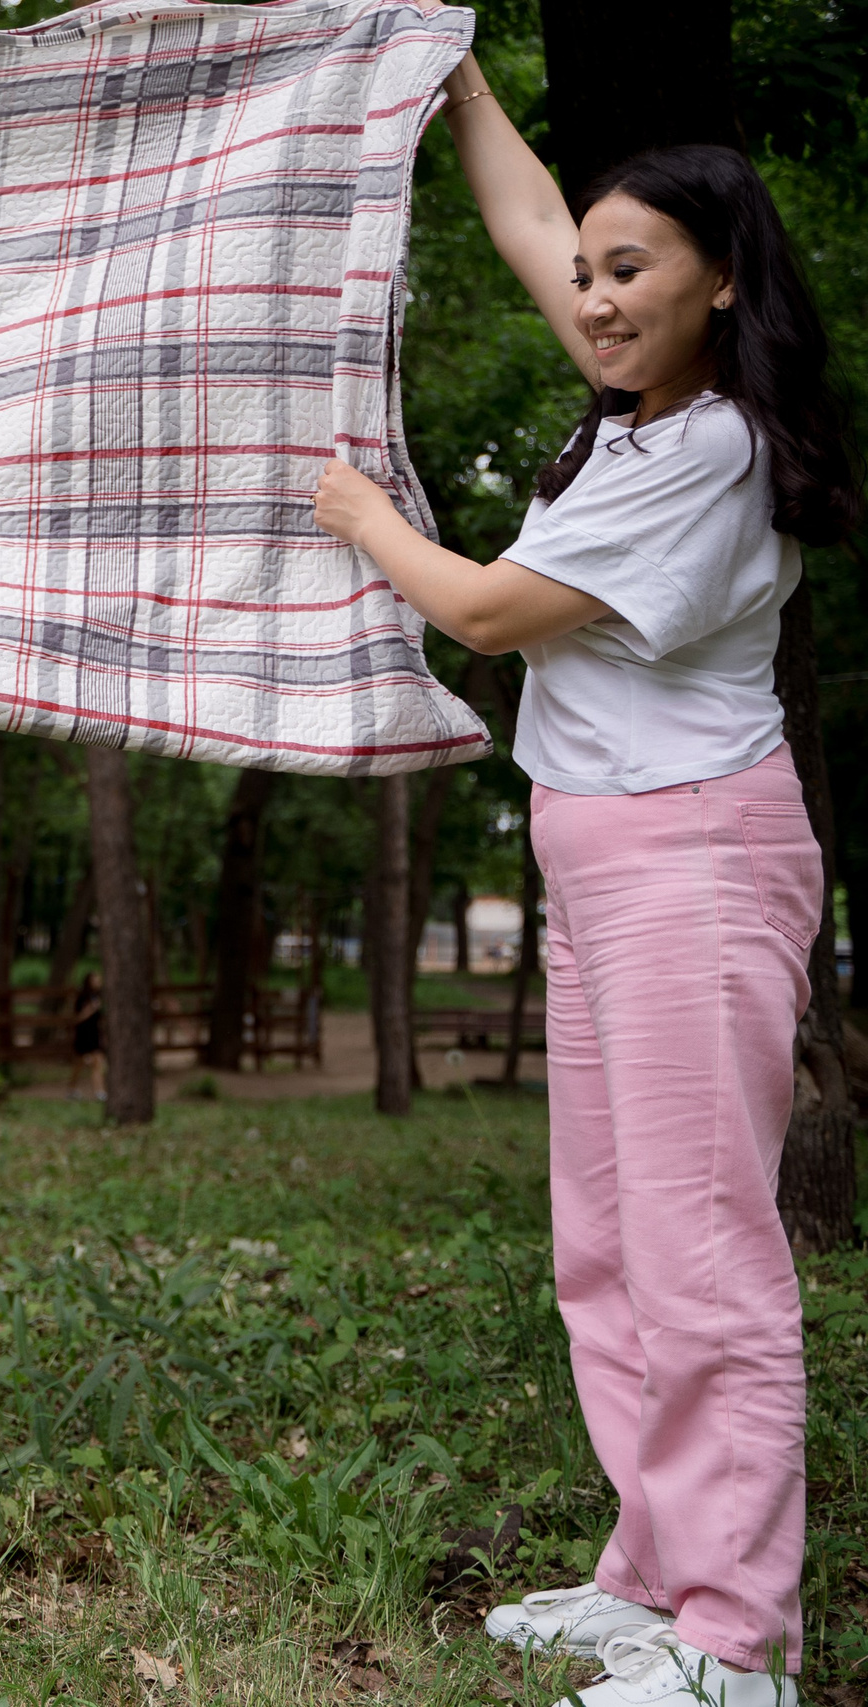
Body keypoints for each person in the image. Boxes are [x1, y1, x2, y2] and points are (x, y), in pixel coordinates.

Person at [314, 43, 857, 1707]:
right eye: (593, 276)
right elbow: (539, 221)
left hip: (698, 862)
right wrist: (459, 86)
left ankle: (736, 1642)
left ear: (723, 282)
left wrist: (357, 511)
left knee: (700, 1249)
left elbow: (480, 612)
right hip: (614, 863)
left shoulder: (713, 454)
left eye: (635, 274)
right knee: (611, 1245)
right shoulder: (645, 415)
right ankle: (654, 1573)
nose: (598, 300)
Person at [66, 970, 106, 1100]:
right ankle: (71, 1088)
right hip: (83, 1033)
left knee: (98, 1061)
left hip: (94, 1033)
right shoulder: (82, 997)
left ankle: (99, 1092)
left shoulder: (98, 996)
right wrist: (91, 1009)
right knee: (79, 1064)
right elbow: (77, 1018)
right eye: (96, 980)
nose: (99, 982)